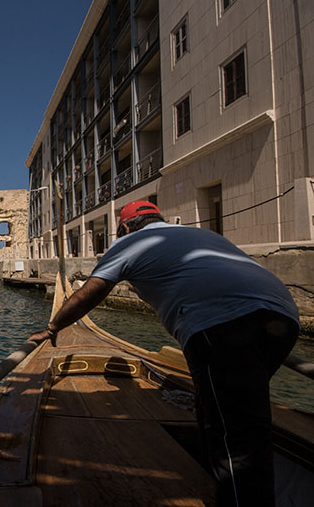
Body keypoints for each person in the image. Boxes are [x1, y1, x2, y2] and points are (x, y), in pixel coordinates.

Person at [28, 200, 300, 506]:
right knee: (226, 411)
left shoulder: (131, 242)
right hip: (284, 320)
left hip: (222, 326)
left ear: (125, 228)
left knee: (235, 436)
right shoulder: (199, 235)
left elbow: (90, 292)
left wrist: (53, 328)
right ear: (160, 219)